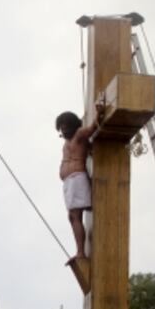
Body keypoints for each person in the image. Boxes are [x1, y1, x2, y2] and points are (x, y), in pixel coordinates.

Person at [55, 111, 94, 260]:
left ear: (72, 125)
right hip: (69, 181)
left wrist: (99, 114)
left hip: (77, 178)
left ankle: (80, 252)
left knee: (75, 215)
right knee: (72, 217)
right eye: (61, 128)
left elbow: (91, 128)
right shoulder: (67, 141)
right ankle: (79, 251)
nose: (63, 131)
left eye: (65, 127)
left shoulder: (79, 134)